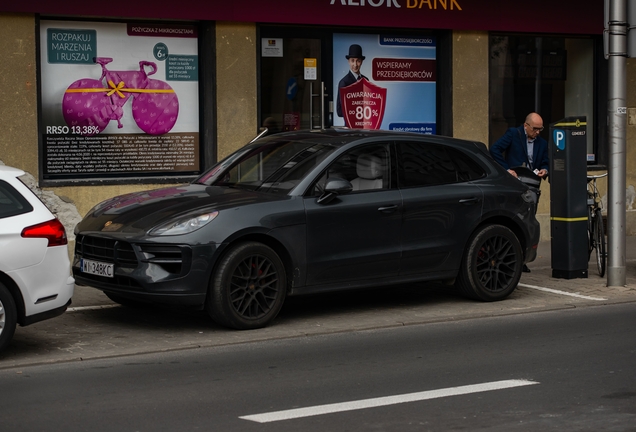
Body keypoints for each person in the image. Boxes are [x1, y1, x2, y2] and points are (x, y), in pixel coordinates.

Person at [490, 112, 549, 272]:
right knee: (516, 219)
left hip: (533, 186)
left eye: (540, 129)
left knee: (529, 221)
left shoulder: (542, 143)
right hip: (516, 184)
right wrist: (507, 169)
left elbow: (545, 160)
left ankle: (523, 260)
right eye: (535, 129)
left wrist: (545, 169)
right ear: (526, 126)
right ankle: (512, 259)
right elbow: (495, 150)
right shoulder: (513, 134)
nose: (537, 132)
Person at [336, 44, 368, 118]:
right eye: (352, 61)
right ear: (348, 62)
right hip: (350, 127)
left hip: (364, 125)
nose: (355, 64)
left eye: (358, 61)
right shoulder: (344, 82)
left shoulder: (366, 80)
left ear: (362, 62)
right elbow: (340, 111)